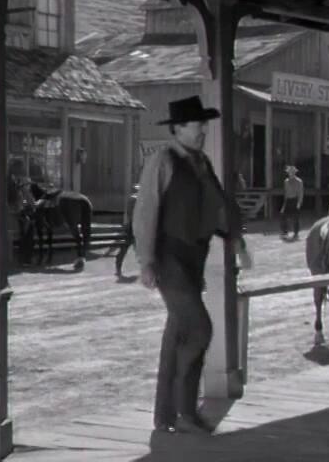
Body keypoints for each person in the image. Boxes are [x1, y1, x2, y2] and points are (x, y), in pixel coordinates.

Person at [132, 95, 253, 435]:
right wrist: (146, 261)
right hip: (169, 258)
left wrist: (236, 240)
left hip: (193, 259)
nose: (203, 131)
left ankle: (164, 416)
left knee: (178, 336)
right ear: (179, 128)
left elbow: (219, 207)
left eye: (204, 125)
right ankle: (186, 409)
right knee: (200, 329)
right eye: (198, 125)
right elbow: (145, 212)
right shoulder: (162, 160)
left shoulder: (201, 163)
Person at [115, 185, 138, 277]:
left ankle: (118, 268)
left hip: (131, 225)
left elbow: (129, 213)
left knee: (124, 247)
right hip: (139, 226)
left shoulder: (132, 198)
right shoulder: (142, 200)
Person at [279, 165, 304, 239]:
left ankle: (296, 233)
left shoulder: (299, 181)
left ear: (294, 173)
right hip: (288, 200)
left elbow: (300, 193)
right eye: (289, 172)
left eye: (292, 172)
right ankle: (284, 231)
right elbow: (285, 193)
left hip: (295, 200)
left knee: (295, 218)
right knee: (283, 215)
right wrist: (284, 204)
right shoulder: (286, 181)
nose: (291, 173)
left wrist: (299, 203)